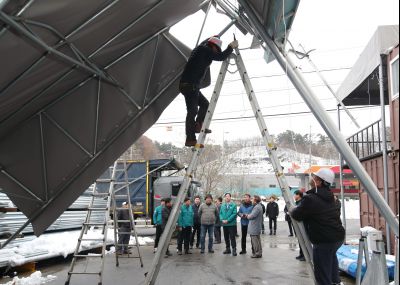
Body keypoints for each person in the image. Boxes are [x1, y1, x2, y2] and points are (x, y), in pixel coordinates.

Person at [179, 36, 238, 146]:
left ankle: (199, 125)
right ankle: (190, 139)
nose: (216, 52)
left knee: (205, 104)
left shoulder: (200, 50)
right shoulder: (204, 50)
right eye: (217, 49)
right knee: (192, 111)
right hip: (190, 85)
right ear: (213, 46)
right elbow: (221, 57)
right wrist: (230, 47)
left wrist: (215, 37)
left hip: (189, 85)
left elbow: (215, 54)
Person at [291, 168, 345, 285]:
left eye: (314, 177)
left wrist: (293, 210)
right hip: (338, 237)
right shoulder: (333, 197)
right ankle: (336, 281)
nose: (312, 179)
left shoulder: (311, 199)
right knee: (331, 259)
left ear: (319, 182)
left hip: (323, 240)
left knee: (322, 273)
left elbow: (297, 215)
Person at [293, 190, 305, 261]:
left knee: (303, 240)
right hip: (298, 224)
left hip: (302, 225)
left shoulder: (301, 203)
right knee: (300, 240)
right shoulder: (296, 203)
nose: (294, 196)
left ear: (298, 195)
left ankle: (304, 255)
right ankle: (301, 254)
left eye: (295, 195)